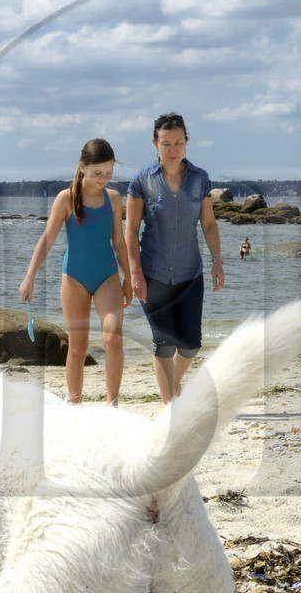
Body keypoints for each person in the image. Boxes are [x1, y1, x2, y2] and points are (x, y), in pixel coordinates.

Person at [19, 138, 132, 405]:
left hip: (107, 276)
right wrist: (29, 277)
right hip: (74, 278)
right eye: (97, 173)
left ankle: (112, 404)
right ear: (82, 167)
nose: (104, 178)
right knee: (78, 346)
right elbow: (47, 238)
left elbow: (118, 241)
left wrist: (128, 277)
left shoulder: (114, 199)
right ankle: (75, 404)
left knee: (113, 337)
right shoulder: (66, 198)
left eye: (109, 173)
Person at [126, 112, 225, 403]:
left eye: (178, 143)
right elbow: (130, 230)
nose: (172, 149)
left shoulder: (200, 179)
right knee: (164, 342)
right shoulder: (141, 181)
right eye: (166, 143)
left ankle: (175, 383)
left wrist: (217, 261)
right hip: (152, 273)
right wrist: (134, 273)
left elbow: (208, 223)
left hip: (190, 274)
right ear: (154, 143)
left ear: (186, 142)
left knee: (191, 345)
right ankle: (169, 404)